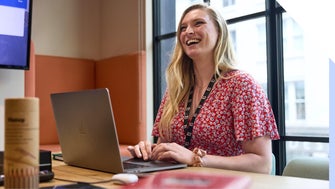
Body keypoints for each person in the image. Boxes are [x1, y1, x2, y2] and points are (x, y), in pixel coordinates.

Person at [128, 3, 280, 174]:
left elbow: (262, 164)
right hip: (177, 183)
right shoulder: (176, 88)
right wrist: (150, 151)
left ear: (219, 32)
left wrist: (196, 159)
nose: (188, 31)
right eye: (183, 28)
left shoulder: (242, 84)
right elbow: (166, 146)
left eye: (198, 23)